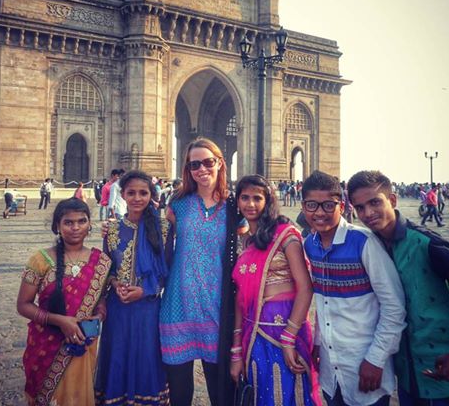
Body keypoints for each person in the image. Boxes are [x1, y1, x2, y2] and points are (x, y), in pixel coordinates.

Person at [301, 170, 406, 406]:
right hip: (331, 369)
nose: (319, 212)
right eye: (311, 205)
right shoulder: (310, 245)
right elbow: (323, 303)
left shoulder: (364, 242)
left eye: (328, 205)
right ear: (302, 206)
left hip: (365, 366)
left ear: (342, 205)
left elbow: (394, 307)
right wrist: (318, 342)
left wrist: (376, 359)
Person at [347, 170, 449, 405]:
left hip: (441, 369)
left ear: (392, 200)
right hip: (406, 374)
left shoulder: (426, 244)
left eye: (375, 202)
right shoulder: (369, 247)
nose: (368, 213)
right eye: (360, 207)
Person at [159, 137, 239, 406]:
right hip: (177, 306)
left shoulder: (234, 208)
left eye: (208, 162)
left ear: (219, 163)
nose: (202, 169)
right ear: (188, 169)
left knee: (220, 394)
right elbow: (157, 243)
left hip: (215, 308)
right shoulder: (177, 205)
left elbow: (252, 247)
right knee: (180, 396)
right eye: (195, 164)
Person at [230, 175, 321, 405]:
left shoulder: (285, 234)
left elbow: (305, 288)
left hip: (284, 331)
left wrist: (289, 337)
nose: (250, 204)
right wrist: (236, 352)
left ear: (268, 200)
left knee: (291, 395)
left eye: (257, 198)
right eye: (244, 198)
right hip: (253, 335)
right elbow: (240, 298)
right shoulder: (243, 242)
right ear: (237, 201)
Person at [16, 198, 111, 405]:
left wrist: (100, 313)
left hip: (82, 342)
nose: (75, 227)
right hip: (47, 343)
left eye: (82, 221)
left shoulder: (100, 260)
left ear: (89, 225)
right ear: (57, 227)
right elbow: (23, 304)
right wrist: (60, 320)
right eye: (68, 222)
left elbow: (101, 295)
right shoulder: (40, 260)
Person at [95, 171, 169, 404]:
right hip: (119, 306)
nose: (137, 198)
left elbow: (169, 271)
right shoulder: (112, 229)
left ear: (151, 195)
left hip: (149, 307)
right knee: (118, 355)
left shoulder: (164, 228)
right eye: (131, 193)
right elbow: (107, 270)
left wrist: (146, 290)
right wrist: (116, 285)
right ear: (123, 195)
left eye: (143, 193)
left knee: (146, 358)